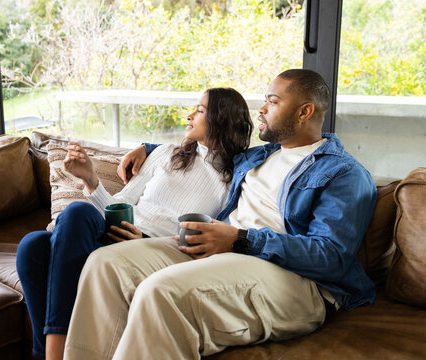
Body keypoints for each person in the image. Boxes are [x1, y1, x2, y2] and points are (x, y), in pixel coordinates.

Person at [63, 69, 378, 360]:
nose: (262, 109)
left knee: (160, 292)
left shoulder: (343, 173)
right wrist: (147, 147)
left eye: (273, 101)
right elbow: (208, 146)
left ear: (304, 111)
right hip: (224, 249)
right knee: (106, 264)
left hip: (293, 279)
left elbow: (332, 255)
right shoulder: (257, 157)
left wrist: (241, 239)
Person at [16, 87, 254, 360]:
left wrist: (144, 242)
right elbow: (121, 205)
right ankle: (51, 352)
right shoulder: (166, 154)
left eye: (199, 111)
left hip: (152, 248)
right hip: (117, 229)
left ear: (222, 120)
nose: (189, 115)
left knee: (47, 238)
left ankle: (50, 354)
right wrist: (90, 179)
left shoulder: (234, 181)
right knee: (37, 241)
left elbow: (212, 234)